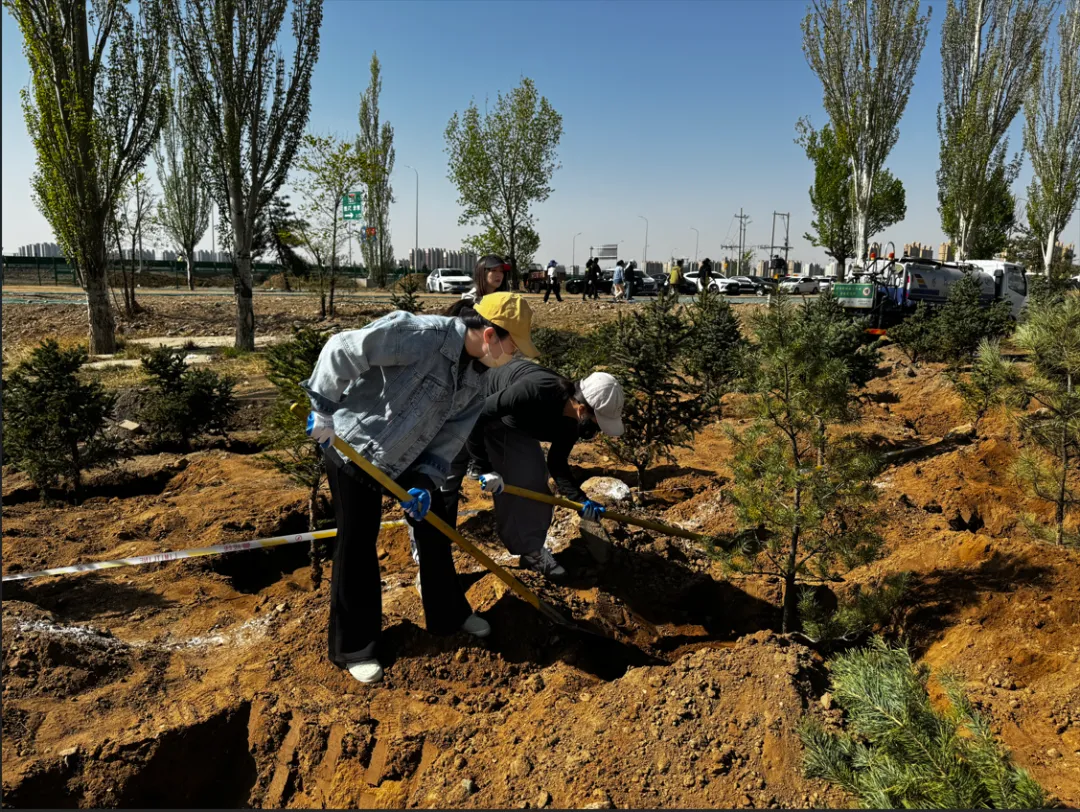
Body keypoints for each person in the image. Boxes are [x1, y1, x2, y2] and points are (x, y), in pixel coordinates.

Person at [301, 292, 540, 685]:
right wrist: (322, 408)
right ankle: (354, 647)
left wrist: (427, 480)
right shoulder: (422, 335)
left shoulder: (477, 379)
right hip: (353, 447)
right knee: (358, 539)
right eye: (512, 345)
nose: (512, 355)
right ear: (490, 334)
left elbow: (450, 436)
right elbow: (342, 348)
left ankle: (448, 614)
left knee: (435, 523)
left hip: (408, 457)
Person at [467, 360, 626, 580]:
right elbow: (477, 414)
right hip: (475, 404)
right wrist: (482, 467)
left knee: (533, 479)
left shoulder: (571, 421)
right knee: (444, 478)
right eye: (597, 423)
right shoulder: (535, 391)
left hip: (513, 420)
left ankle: (530, 550)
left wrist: (580, 500)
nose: (596, 431)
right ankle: (430, 553)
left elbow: (557, 463)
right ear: (582, 409)